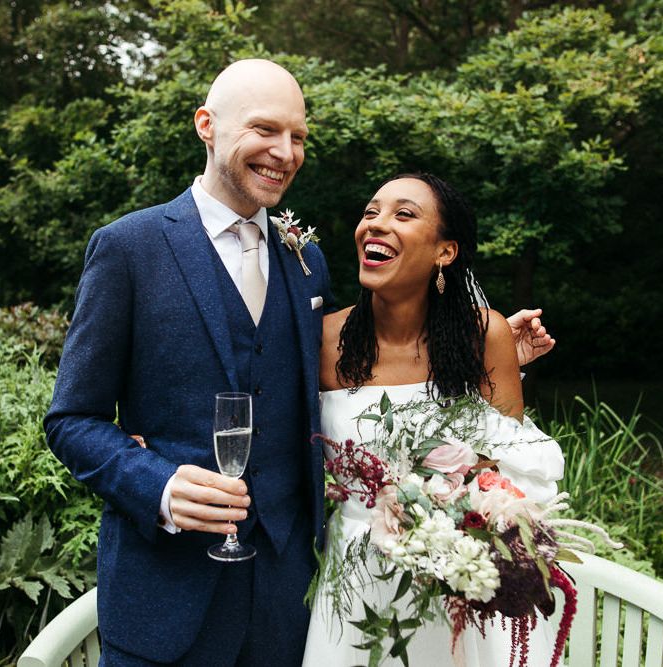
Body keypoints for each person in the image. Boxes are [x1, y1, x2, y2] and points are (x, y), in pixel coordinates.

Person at [45, 58, 553, 666]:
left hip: (295, 607)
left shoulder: (305, 258)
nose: (284, 152)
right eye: (265, 130)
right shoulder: (128, 248)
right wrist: (157, 486)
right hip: (166, 597)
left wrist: (491, 357)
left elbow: (361, 383)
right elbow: (71, 420)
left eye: (298, 136)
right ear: (207, 125)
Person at [301, 173, 565, 666]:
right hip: (353, 581)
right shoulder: (322, 339)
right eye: (371, 212)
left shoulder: (483, 334)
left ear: (445, 252)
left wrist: (462, 517)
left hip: (456, 581)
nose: (376, 225)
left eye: (403, 214)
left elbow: (511, 470)